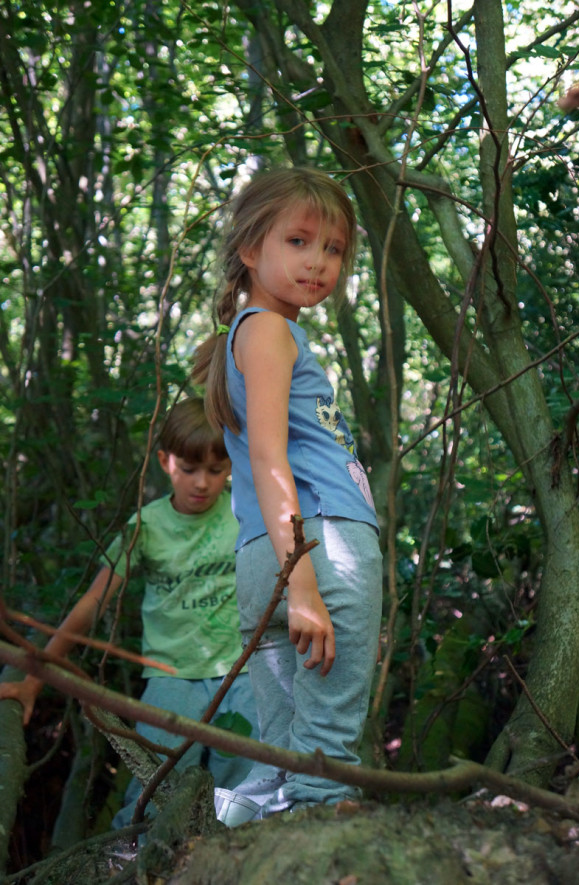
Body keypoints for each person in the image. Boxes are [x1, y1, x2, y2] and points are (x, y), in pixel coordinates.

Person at [193, 166, 383, 818]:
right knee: (324, 764)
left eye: (333, 249)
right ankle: (323, 842)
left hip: (262, 550)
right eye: (299, 241)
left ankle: (272, 838)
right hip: (316, 546)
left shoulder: (243, 335)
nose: (319, 263)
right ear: (251, 249)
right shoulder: (268, 330)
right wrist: (300, 581)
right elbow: (272, 456)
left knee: (282, 761)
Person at [0, 397, 257, 825]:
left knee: (242, 785)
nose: (201, 483)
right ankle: (134, 857)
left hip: (242, 672)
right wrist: (33, 678)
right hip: (170, 675)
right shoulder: (147, 526)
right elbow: (93, 602)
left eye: (215, 470)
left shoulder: (242, 514)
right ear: (163, 460)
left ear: (231, 464)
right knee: (157, 784)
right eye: (188, 469)